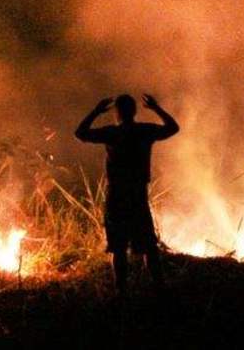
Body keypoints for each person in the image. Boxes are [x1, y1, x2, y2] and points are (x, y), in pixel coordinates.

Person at [75, 93, 179, 295]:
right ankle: (159, 288)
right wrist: (156, 108)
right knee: (149, 245)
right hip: (138, 196)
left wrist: (96, 111)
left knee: (119, 247)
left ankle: (122, 292)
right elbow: (173, 128)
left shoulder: (112, 133)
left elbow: (80, 133)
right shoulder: (144, 131)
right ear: (134, 111)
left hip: (117, 196)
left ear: (117, 113)